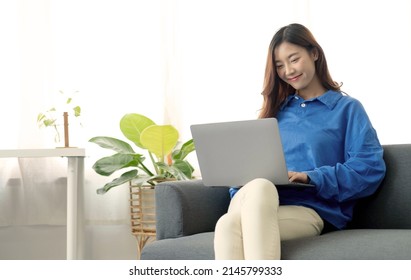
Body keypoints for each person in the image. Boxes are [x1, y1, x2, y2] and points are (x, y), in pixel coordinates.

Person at [214, 23, 386, 260]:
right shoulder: (274, 113)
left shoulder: (347, 109)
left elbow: (369, 168)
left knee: (229, 225)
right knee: (252, 194)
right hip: (258, 201)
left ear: (314, 53)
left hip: (310, 210)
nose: (288, 70)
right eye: (279, 65)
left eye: (293, 59)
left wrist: (311, 176)